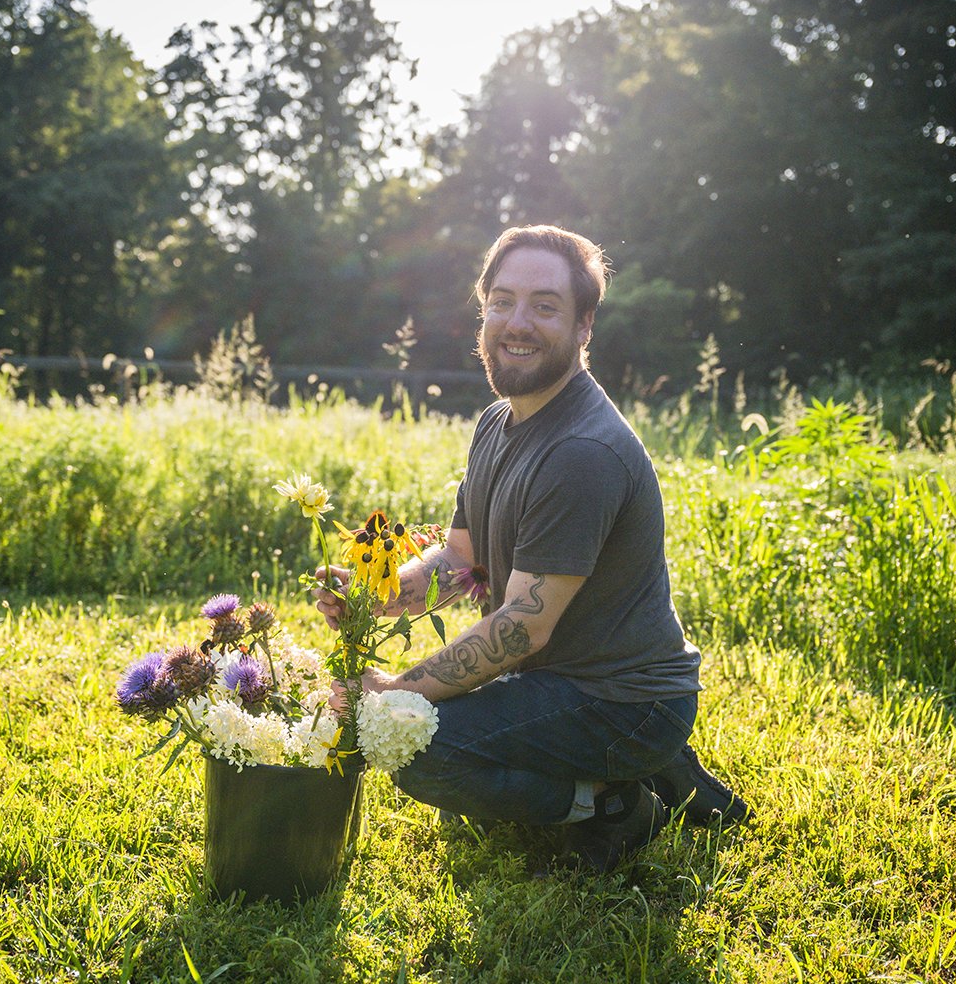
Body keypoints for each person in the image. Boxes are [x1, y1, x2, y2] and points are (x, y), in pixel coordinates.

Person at [316, 224, 748, 872]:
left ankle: (620, 802)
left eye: (545, 306)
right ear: (483, 311)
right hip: (557, 682)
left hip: (621, 697)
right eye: (503, 301)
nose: (517, 322)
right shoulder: (500, 420)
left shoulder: (582, 452)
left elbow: (522, 627)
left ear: (583, 327)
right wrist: (376, 593)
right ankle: (640, 768)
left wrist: (395, 692)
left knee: (412, 746)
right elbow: (462, 559)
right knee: (428, 741)